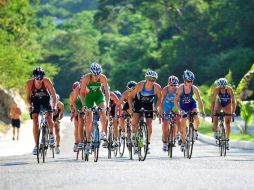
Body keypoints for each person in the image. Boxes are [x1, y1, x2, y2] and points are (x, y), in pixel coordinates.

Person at [128, 70, 162, 154]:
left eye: (153, 80)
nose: (151, 81)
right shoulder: (140, 85)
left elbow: (160, 98)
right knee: (135, 120)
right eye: (149, 79)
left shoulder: (157, 87)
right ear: (146, 79)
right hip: (139, 102)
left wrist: (156, 107)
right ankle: (133, 135)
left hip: (149, 104)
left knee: (149, 124)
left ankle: (147, 143)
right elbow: (130, 97)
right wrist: (131, 107)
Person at [26, 67, 57, 155]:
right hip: (35, 101)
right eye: (37, 78)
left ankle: (51, 135)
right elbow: (28, 97)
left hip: (46, 100)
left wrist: (54, 106)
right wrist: (30, 105)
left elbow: (54, 95)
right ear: (33, 76)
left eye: (41, 78)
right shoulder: (29, 83)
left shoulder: (46, 81)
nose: (39, 80)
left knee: (49, 118)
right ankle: (36, 145)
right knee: (35, 122)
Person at [80, 63, 110, 154]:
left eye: (98, 75)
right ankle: (88, 143)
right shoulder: (86, 78)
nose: (96, 77)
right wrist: (84, 105)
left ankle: (103, 132)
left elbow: (107, 92)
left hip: (98, 96)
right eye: (94, 75)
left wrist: (107, 104)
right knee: (89, 120)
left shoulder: (103, 78)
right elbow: (81, 93)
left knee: (103, 110)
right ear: (91, 73)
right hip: (89, 98)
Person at [174, 70, 205, 152]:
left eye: (192, 81)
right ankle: (183, 142)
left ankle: (195, 131)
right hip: (183, 105)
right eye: (188, 81)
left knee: (196, 116)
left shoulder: (194, 89)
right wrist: (180, 110)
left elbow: (199, 100)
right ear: (184, 81)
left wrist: (203, 111)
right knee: (183, 124)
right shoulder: (180, 89)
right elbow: (175, 100)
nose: (190, 83)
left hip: (192, 104)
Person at [210, 78, 236, 150]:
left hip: (228, 104)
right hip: (220, 103)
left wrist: (233, 111)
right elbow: (212, 102)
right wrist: (212, 113)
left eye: (224, 87)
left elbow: (233, 101)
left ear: (226, 86)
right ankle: (216, 131)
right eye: (221, 87)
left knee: (227, 123)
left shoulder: (230, 90)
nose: (223, 89)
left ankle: (227, 141)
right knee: (215, 115)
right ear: (219, 86)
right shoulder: (216, 90)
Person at [160, 75, 180, 151]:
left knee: (177, 119)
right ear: (168, 84)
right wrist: (161, 111)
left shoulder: (178, 89)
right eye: (172, 85)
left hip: (175, 105)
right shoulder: (165, 90)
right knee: (165, 124)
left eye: (175, 85)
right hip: (167, 106)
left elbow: (180, 100)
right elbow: (161, 102)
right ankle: (165, 142)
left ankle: (177, 134)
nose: (173, 87)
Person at [69, 81, 80, 152]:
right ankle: (76, 143)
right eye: (74, 89)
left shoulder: (85, 91)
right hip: (76, 109)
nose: (76, 90)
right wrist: (73, 112)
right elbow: (71, 105)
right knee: (76, 126)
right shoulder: (72, 95)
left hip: (84, 107)